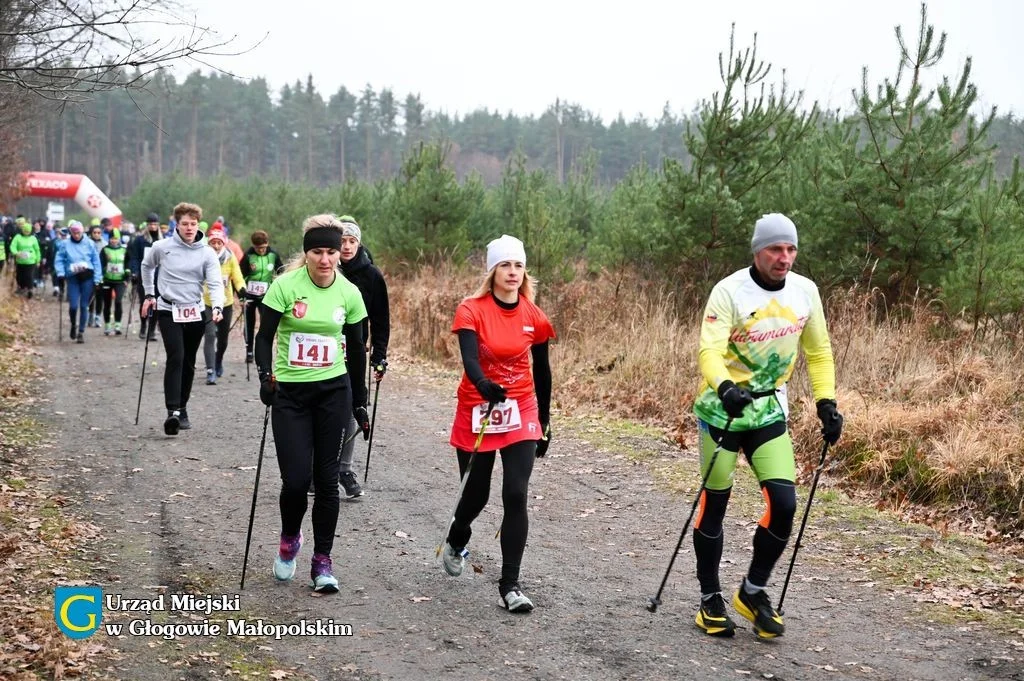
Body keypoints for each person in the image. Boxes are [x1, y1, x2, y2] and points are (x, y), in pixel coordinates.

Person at [690, 213, 844, 639]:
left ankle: (753, 591)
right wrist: (724, 387)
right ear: (757, 250)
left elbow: (819, 352)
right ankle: (709, 599)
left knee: (784, 503)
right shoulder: (730, 291)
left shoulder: (805, 292)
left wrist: (826, 402)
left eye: (791, 249)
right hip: (723, 411)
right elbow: (709, 352)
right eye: (776, 249)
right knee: (715, 506)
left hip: (769, 410)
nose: (785, 257)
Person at [441, 234, 554, 613]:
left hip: (520, 408)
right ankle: (458, 535)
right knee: (476, 495)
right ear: (492, 271)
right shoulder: (471, 309)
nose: (512, 272)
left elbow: (543, 370)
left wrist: (546, 421)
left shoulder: (534, 316)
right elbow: (470, 359)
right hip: (479, 407)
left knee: (516, 494)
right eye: (505, 265)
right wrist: (482, 382)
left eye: (518, 265)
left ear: (525, 272)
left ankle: (510, 584)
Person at [255, 214, 368, 594]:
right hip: (291, 395)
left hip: (333, 393)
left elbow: (356, 350)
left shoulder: (350, 293)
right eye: (317, 252)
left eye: (331, 252)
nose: (325, 259)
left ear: (341, 254)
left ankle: (323, 560)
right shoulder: (285, 287)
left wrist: (361, 403)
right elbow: (264, 337)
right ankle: (289, 539)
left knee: (326, 481)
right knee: (295, 481)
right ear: (307, 254)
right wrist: (265, 376)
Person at [141, 202, 224, 436]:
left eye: (193, 224)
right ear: (177, 224)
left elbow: (215, 282)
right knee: (176, 356)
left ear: (199, 225)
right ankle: (172, 412)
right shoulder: (161, 247)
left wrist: (217, 306)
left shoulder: (207, 252)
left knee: (188, 361)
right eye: (185, 224)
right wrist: (149, 293)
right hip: (168, 309)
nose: (189, 228)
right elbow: (146, 266)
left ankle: (183, 407)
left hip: (194, 311)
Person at [334, 215, 390, 499]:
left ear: (359, 243)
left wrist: (379, 356)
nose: (346, 246)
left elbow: (381, 319)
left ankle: (344, 469)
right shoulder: (324, 268)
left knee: (352, 406)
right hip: (324, 347)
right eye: (342, 240)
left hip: (355, 349)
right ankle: (314, 468)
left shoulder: (371, 275)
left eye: (351, 241)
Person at [201, 225, 245, 385]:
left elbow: (237, 277)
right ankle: (210, 370)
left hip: (226, 302)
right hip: (207, 302)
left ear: (224, 243)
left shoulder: (230, 257)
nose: (216, 245)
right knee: (210, 335)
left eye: (219, 242)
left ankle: (218, 360)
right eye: (213, 242)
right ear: (209, 243)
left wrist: (242, 290)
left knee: (223, 339)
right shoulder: (203, 256)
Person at [54, 221, 102, 343]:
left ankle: (81, 332)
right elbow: (59, 260)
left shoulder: (90, 243)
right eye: (74, 233)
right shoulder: (65, 244)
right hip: (72, 277)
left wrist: (97, 279)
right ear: (71, 232)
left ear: (82, 232)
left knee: (84, 306)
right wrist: (60, 273)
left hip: (87, 277)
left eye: (78, 233)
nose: (76, 235)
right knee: (73, 306)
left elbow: (96, 262)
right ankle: (73, 324)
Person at [239, 230, 282, 364]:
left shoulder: (273, 255)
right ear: (253, 246)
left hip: (266, 296)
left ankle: (264, 350)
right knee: (249, 324)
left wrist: (277, 287)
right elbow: (240, 276)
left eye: (263, 248)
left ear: (267, 244)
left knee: (266, 324)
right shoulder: (248, 255)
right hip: (250, 295)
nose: (261, 251)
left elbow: (281, 271)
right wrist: (241, 295)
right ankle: (249, 351)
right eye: (258, 248)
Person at [128, 213, 162, 340]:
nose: (153, 226)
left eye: (155, 224)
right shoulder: (140, 240)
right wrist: (135, 271)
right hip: (144, 275)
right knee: (145, 301)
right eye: (150, 224)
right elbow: (135, 257)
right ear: (147, 225)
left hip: (159, 276)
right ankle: (143, 325)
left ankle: (152, 330)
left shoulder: (162, 240)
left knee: (157, 303)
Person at [99, 229, 128, 335]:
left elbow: (127, 264)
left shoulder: (124, 250)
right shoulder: (105, 250)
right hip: (107, 280)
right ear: (109, 239)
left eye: (116, 238)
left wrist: (127, 275)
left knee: (118, 301)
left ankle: (118, 324)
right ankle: (107, 324)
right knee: (107, 303)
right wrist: (101, 273)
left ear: (119, 239)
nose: (114, 241)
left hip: (120, 280)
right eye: (112, 238)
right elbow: (100, 264)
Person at [9, 218, 41, 298]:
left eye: (28, 232)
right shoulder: (18, 237)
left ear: (30, 231)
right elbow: (12, 246)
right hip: (20, 261)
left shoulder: (33, 238)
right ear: (22, 230)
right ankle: (21, 287)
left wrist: (38, 260)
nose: (26, 233)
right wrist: (16, 253)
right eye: (25, 231)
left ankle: (30, 290)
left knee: (29, 276)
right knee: (19, 276)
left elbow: (37, 250)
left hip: (31, 261)